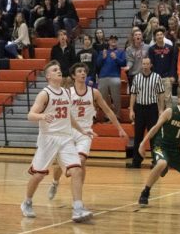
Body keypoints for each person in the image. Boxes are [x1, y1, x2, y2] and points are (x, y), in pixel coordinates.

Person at [21, 61, 96, 222]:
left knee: (76, 170)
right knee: (38, 175)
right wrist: (42, 116)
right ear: (48, 76)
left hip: (66, 138)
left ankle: (77, 209)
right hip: (48, 139)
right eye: (55, 70)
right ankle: (27, 202)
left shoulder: (66, 92)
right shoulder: (44, 94)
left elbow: (69, 116)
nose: (59, 71)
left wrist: (82, 131)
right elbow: (30, 115)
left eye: (59, 69)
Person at [48, 64, 128, 200]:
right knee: (60, 166)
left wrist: (120, 128)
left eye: (84, 71)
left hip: (85, 133)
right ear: (73, 76)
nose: (83, 73)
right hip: (68, 131)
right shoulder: (67, 93)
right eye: (79, 71)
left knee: (81, 161)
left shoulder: (94, 93)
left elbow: (108, 111)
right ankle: (55, 183)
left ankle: (78, 194)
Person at [136, 86, 180, 206]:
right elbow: (155, 128)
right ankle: (145, 192)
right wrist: (142, 143)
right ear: (179, 99)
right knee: (162, 163)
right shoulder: (170, 111)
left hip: (175, 149)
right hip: (160, 145)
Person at [129, 57, 165, 168]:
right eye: (143, 64)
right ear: (141, 65)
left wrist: (161, 109)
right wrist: (131, 109)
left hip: (152, 108)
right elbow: (133, 94)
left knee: (154, 136)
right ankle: (136, 161)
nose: (145, 65)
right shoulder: (137, 77)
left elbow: (161, 94)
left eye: (147, 64)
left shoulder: (157, 77)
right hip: (139, 108)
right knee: (138, 136)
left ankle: (156, 161)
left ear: (150, 65)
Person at [96, 35, 126, 118]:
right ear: (108, 42)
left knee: (116, 97)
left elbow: (124, 63)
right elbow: (97, 65)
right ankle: (107, 114)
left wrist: (116, 58)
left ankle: (117, 115)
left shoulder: (121, 52)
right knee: (103, 97)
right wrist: (103, 58)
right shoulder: (103, 52)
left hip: (115, 77)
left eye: (115, 40)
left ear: (117, 42)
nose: (113, 41)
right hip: (102, 77)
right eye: (111, 40)